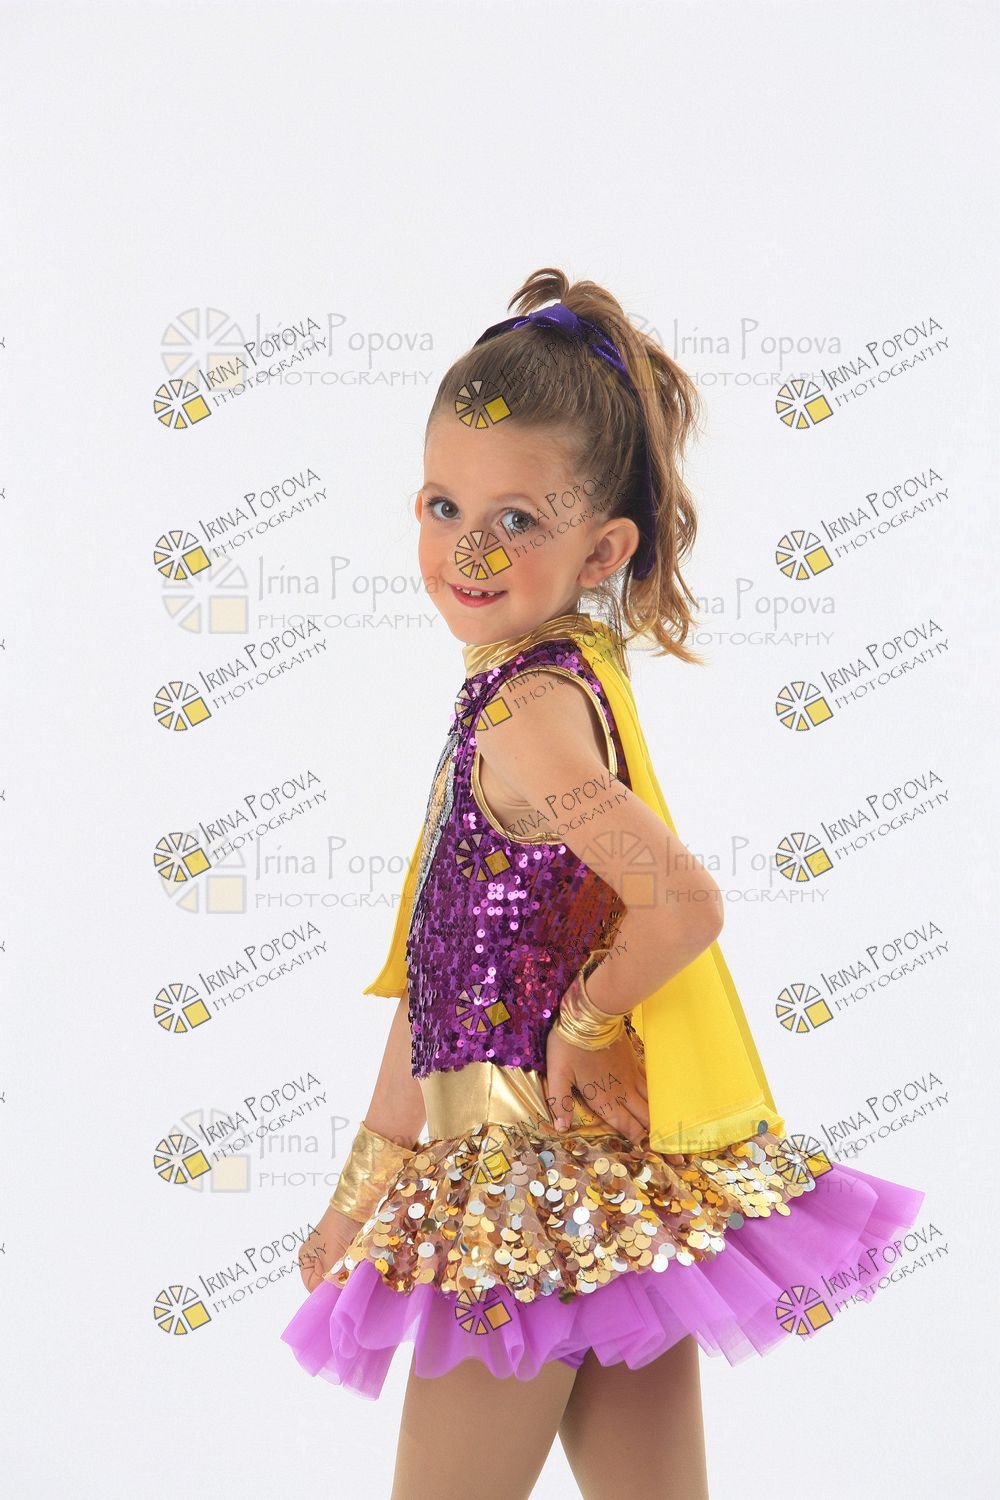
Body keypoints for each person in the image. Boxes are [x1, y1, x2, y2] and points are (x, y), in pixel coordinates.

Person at [280, 267, 925, 1500]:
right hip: (612, 1207)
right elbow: (438, 978)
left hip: (515, 1209)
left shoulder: (524, 712)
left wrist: (582, 1023)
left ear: (604, 546)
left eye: (518, 519)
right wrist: (358, 1196)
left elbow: (681, 901)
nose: (467, 548)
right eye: (443, 504)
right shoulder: (552, 683)